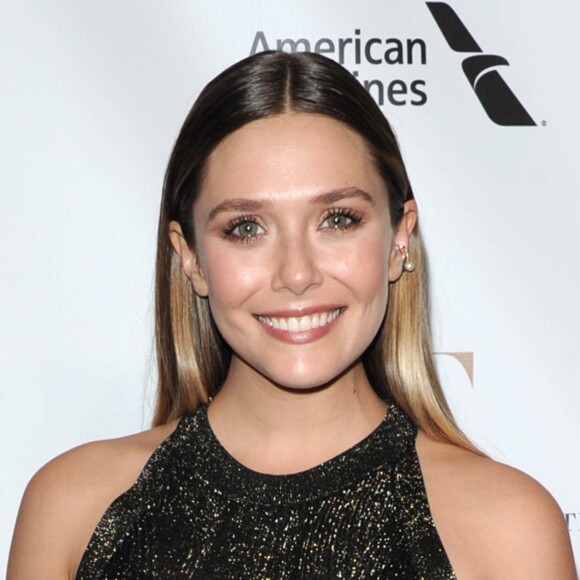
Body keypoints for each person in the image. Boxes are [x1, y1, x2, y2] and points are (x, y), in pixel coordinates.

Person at [7, 51, 576, 579]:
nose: (297, 273)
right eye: (246, 228)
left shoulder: (507, 530)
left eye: (338, 219)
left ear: (400, 238)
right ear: (191, 259)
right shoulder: (74, 509)